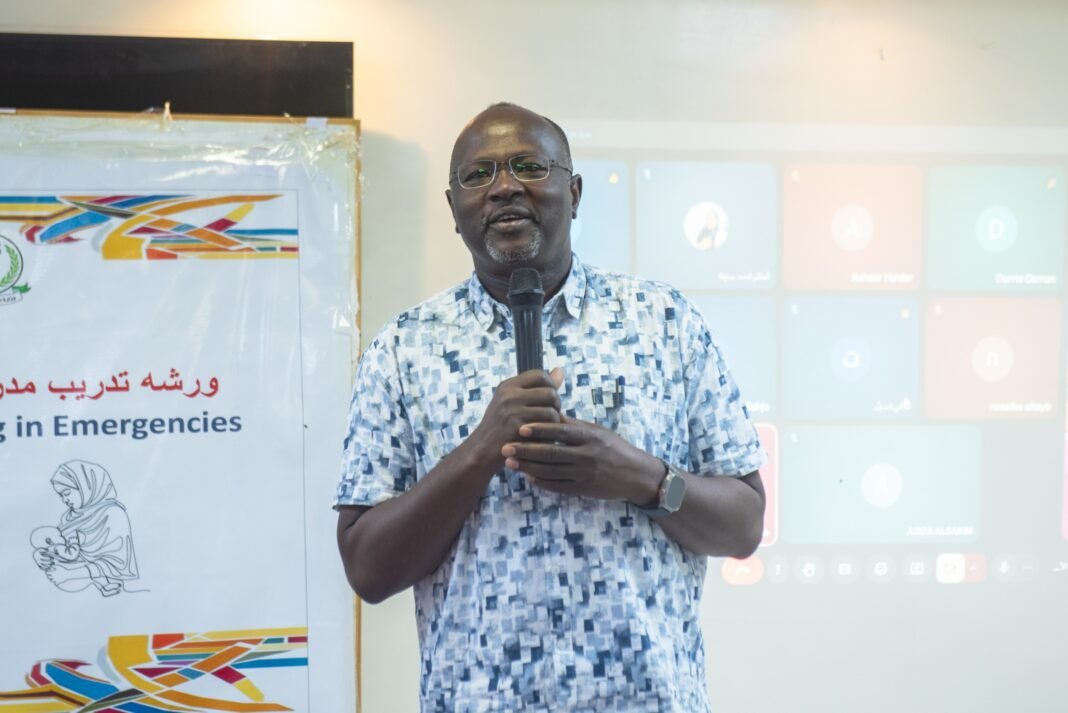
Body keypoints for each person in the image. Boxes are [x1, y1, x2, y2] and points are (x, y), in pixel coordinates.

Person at [335, 103, 766, 712]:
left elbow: (744, 524)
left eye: (529, 166)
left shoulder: (665, 323)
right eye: (479, 174)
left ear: (575, 191)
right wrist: (482, 450)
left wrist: (640, 477)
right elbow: (368, 568)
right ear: (454, 209)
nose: (504, 187)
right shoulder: (402, 350)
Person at [34, 460, 139, 596]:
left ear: (86, 486)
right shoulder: (69, 517)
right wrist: (44, 556)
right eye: (61, 495)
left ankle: (104, 585)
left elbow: (117, 563)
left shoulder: (113, 513)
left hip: (101, 575)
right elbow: (67, 548)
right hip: (77, 570)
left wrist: (69, 574)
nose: (64, 500)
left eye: (67, 493)